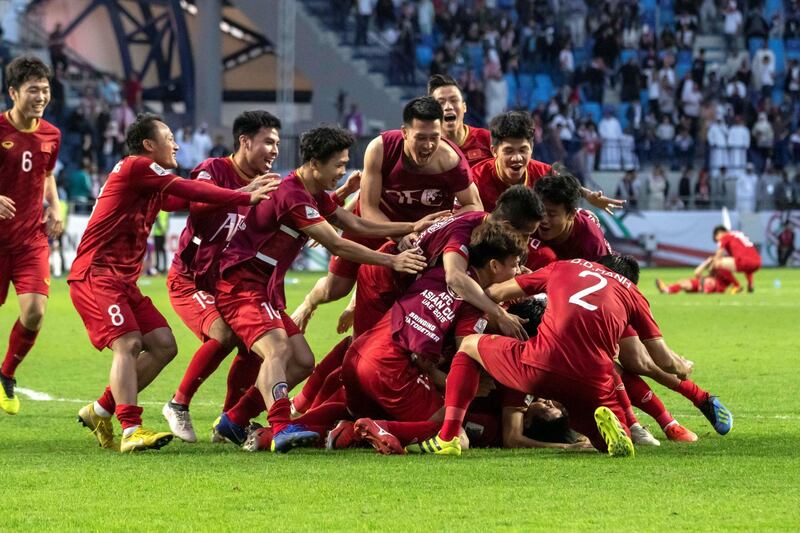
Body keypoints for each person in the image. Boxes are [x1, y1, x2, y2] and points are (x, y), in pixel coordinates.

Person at [212, 126, 442, 452]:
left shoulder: (312, 194)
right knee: (277, 351)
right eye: (338, 165)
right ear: (315, 164)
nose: (342, 172)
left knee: (303, 361)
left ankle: (234, 419)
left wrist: (412, 226)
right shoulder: (291, 194)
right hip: (241, 289)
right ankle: (280, 427)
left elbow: (357, 224)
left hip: (261, 291)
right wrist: (392, 261)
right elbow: (338, 243)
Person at [71, 113, 277, 452]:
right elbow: (187, 187)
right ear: (149, 145)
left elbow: (190, 199)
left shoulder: (148, 181)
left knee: (164, 344)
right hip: (97, 273)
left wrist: (239, 191)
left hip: (123, 281)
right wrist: (243, 194)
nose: (176, 144)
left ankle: (100, 409)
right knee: (128, 343)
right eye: (169, 137)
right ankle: (131, 428)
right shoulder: (138, 166)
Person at [407, 255, 693, 456]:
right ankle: (617, 433)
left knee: (469, 344)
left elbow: (495, 291)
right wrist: (683, 367)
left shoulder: (563, 268)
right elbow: (663, 359)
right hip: (594, 380)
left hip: (541, 364)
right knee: (603, 439)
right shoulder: (633, 295)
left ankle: (448, 437)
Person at [291, 97, 482, 332]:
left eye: (435, 137)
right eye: (421, 138)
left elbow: (474, 206)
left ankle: (363, 320)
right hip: (375, 223)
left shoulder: (451, 162)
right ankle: (311, 302)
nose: (429, 145)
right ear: (404, 132)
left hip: (420, 234)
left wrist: (441, 225)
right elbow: (369, 207)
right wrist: (400, 235)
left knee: (406, 296)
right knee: (335, 289)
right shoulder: (381, 148)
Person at [341, 220, 527, 454]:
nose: (519, 272)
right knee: (455, 433)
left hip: (357, 355)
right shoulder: (475, 302)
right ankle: (381, 427)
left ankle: (339, 431)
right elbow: (464, 362)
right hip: (390, 368)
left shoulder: (441, 269)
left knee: (349, 408)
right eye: (516, 265)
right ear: (494, 266)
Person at [161, 111, 284, 442]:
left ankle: (229, 421)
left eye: (277, 143)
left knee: (253, 344)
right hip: (190, 280)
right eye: (268, 142)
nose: (274, 150)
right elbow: (197, 204)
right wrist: (245, 193)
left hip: (229, 285)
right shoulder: (213, 169)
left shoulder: (272, 184)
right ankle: (177, 404)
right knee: (224, 333)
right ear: (245, 141)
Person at [0, 57, 63, 415]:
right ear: (13, 92)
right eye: (33, 90)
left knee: (36, 312)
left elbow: (47, 174)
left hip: (29, 239)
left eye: (45, 89)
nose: (41, 96)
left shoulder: (52, 134)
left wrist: (54, 206)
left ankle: (6, 374)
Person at [471, 111, 623, 214]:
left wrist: (589, 195)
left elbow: (565, 183)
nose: (517, 158)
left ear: (531, 148)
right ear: (494, 151)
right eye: (509, 151)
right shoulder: (474, 179)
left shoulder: (541, 172)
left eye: (523, 150)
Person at [427, 74, 493, 167]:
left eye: (454, 100)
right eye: (441, 102)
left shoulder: (487, 139)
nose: (448, 107)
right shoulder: (427, 150)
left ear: (464, 107)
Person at [711, 226, 762, 292]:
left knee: (716, 263)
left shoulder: (726, 236)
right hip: (757, 262)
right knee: (745, 263)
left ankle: (736, 285)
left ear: (719, 233)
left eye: (717, 240)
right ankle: (750, 285)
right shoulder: (738, 234)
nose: (719, 242)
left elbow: (720, 253)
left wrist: (712, 265)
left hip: (745, 261)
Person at [656, 257, 742, 294]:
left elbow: (737, 285)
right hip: (702, 283)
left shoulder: (724, 271)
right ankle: (666, 289)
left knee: (685, 284)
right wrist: (706, 262)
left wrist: (732, 291)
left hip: (708, 286)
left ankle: (666, 289)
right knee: (683, 283)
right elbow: (697, 272)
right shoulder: (713, 271)